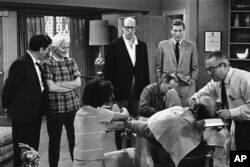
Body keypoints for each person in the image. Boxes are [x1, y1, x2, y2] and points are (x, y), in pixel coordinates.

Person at [127, 96, 227, 167]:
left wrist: (131, 124)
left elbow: (149, 130)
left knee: (145, 126)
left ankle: (137, 120)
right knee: (172, 94)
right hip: (193, 158)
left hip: (165, 156)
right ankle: (142, 119)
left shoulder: (174, 121)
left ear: (194, 109)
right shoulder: (215, 128)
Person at [1, 34, 52, 167]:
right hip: (23, 115)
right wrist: (7, 107)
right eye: (48, 49)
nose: (48, 52)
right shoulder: (21, 63)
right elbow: (9, 88)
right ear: (41, 49)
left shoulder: (36, 63)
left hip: (34, 114)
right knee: (23, 151)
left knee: (32, 149)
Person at [187, 50, 250, 151]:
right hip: (232, 124)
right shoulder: (216, 81)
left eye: (212, 69)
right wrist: (193, 99)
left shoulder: (245, 79)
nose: (209, 73)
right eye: (207, 70)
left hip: (246, 126)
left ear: (223, 66)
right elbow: (203, 92)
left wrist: (231, 112)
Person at [104, 17, 150, 150]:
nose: (130, 30)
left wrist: (146, 91)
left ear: (136, 28)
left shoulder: (142, 45)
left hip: (138, 93)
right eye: (127, 27)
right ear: (122, 28)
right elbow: (109, 72)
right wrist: (110, 93)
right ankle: (121, 151)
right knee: (120, 124)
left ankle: (134, 151)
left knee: (136, 123)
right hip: (120, 92)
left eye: (132, 28)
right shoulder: (114, 45)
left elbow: (145, 70)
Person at [41, 33, 81, 167]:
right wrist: (68, 84)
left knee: (75, 140)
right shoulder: (47, 64)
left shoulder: (71, 61)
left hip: (73, 107)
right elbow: (51, 88)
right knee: (54, 141)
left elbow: (78, 83)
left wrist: (60, 84)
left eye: (67, 48)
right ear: (55, 48)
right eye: (63, 48)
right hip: (55, 109)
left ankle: (77, 165)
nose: (66, 50)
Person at [73, 79, 129, 167]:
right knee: (123, 156)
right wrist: (122, 108)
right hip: (93, 161)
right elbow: (125, 116)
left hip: (78, 160)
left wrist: (105, 129)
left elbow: (89, 132)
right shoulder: (100, 113)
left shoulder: (79, 113)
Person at [155, 19, 199, 107]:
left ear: (183, 30)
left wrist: (192, 79)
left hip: (184, 84)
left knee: (183, 111)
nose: (178, 33)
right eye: (175, 30)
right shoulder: (162, 45)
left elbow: (195, 67)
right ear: (171, 31)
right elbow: (158, 66)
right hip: (167, 83)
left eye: (180, 30)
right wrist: (160, 80)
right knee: (167, 111)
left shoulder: (191, 46)